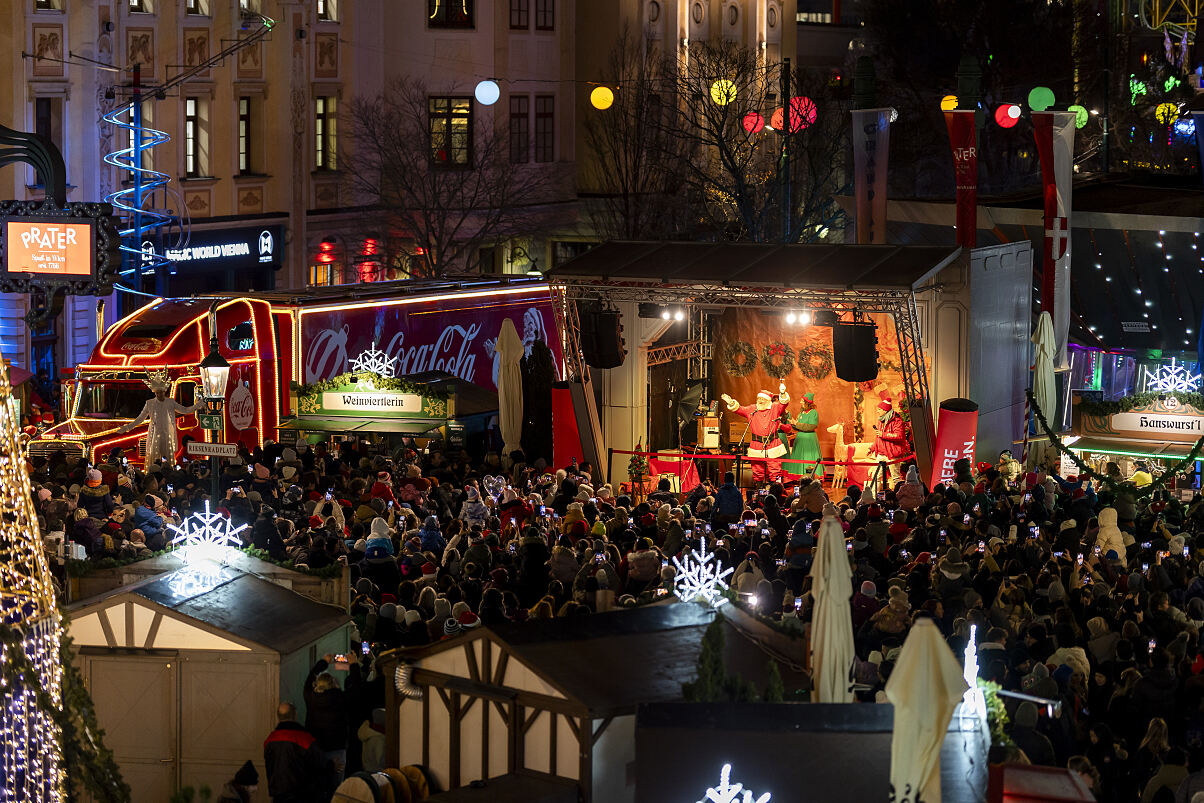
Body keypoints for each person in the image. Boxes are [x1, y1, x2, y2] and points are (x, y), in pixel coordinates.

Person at [115, 369, 203, 465]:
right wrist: (127, 427)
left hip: (167, 434)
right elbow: (140, 418)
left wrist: (199, 404)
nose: (159, 394)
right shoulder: (150, 403)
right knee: (154, 459)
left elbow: (185, 410)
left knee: (168, 459)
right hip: (155, 434)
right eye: (157, 393)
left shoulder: (170, 402)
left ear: (164, 391)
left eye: (161, 392)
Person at [263, 701, 325, 803]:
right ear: (295, 715)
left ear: (278, 717)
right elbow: (319, 764)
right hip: (302, 795)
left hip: (278, 795)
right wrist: (331, 765)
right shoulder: (305, 739)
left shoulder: (269, 740)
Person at [303, 655, 348, 791]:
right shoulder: (340, 698)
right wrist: (354, 665)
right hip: (336, 748)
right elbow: (357, 690)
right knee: (336, 788)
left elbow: (310, 676)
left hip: (315, 748)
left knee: (317, 786)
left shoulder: (310, 697)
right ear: (333, 684)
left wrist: (323, 662)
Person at [784, 392, 823, 481]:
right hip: (800, 440)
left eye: (802, 401)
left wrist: (797, 423)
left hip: (809, 440)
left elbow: (811, 426)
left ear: (807, 403)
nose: (800, 403)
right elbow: (798, 426)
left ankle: (811, 476)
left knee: (809, 458)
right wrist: (792, 423)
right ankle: (799, 476)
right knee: (799, 457)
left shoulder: (813, 413)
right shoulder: (801, 413)